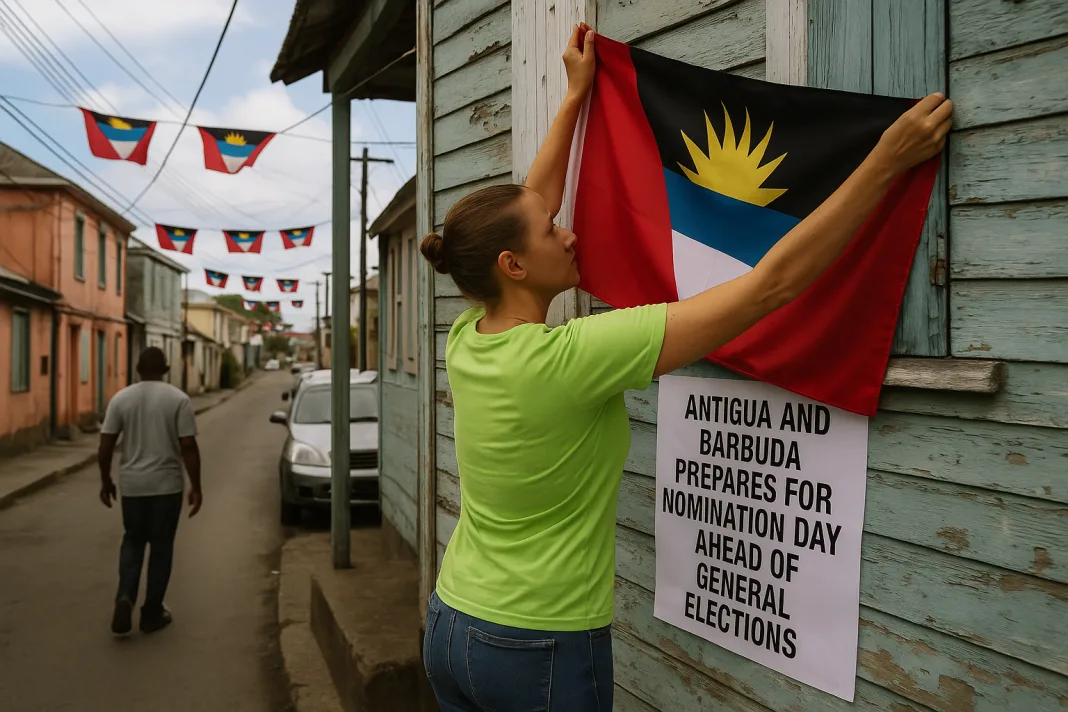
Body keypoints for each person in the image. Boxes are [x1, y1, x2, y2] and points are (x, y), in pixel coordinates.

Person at [419, 23, 953, 712]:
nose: (568, 227)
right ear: (512, 266)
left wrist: (576, 96)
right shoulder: (574, 356)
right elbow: (770, 286)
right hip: (537, 648)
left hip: (453, 623)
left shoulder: (469, 337)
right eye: (553, 230)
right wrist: (884, 161)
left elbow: (529, 199)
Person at [98, 346, 202, 636]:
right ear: (166, 369)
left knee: (132, 541)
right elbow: (188, 446)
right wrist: (197, 485)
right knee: (161, 547)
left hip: (133, 486)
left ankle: (124, 596)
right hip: (167, 487)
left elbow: (106, 444)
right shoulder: (178, 399)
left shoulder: (121, 399)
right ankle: (151, 613)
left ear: (137, 369)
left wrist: (105, 480)